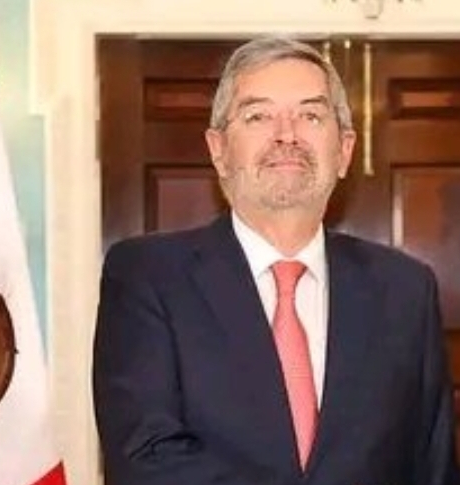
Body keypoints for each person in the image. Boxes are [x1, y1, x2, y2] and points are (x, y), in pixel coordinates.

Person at [93, 36, 459, 485]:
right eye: (258, 116)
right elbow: (145, 459)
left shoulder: (405, 290)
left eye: (310, 115)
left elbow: (432, 464)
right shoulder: (148, 277)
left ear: (344, 151)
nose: (287, 135)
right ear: (218, 150)